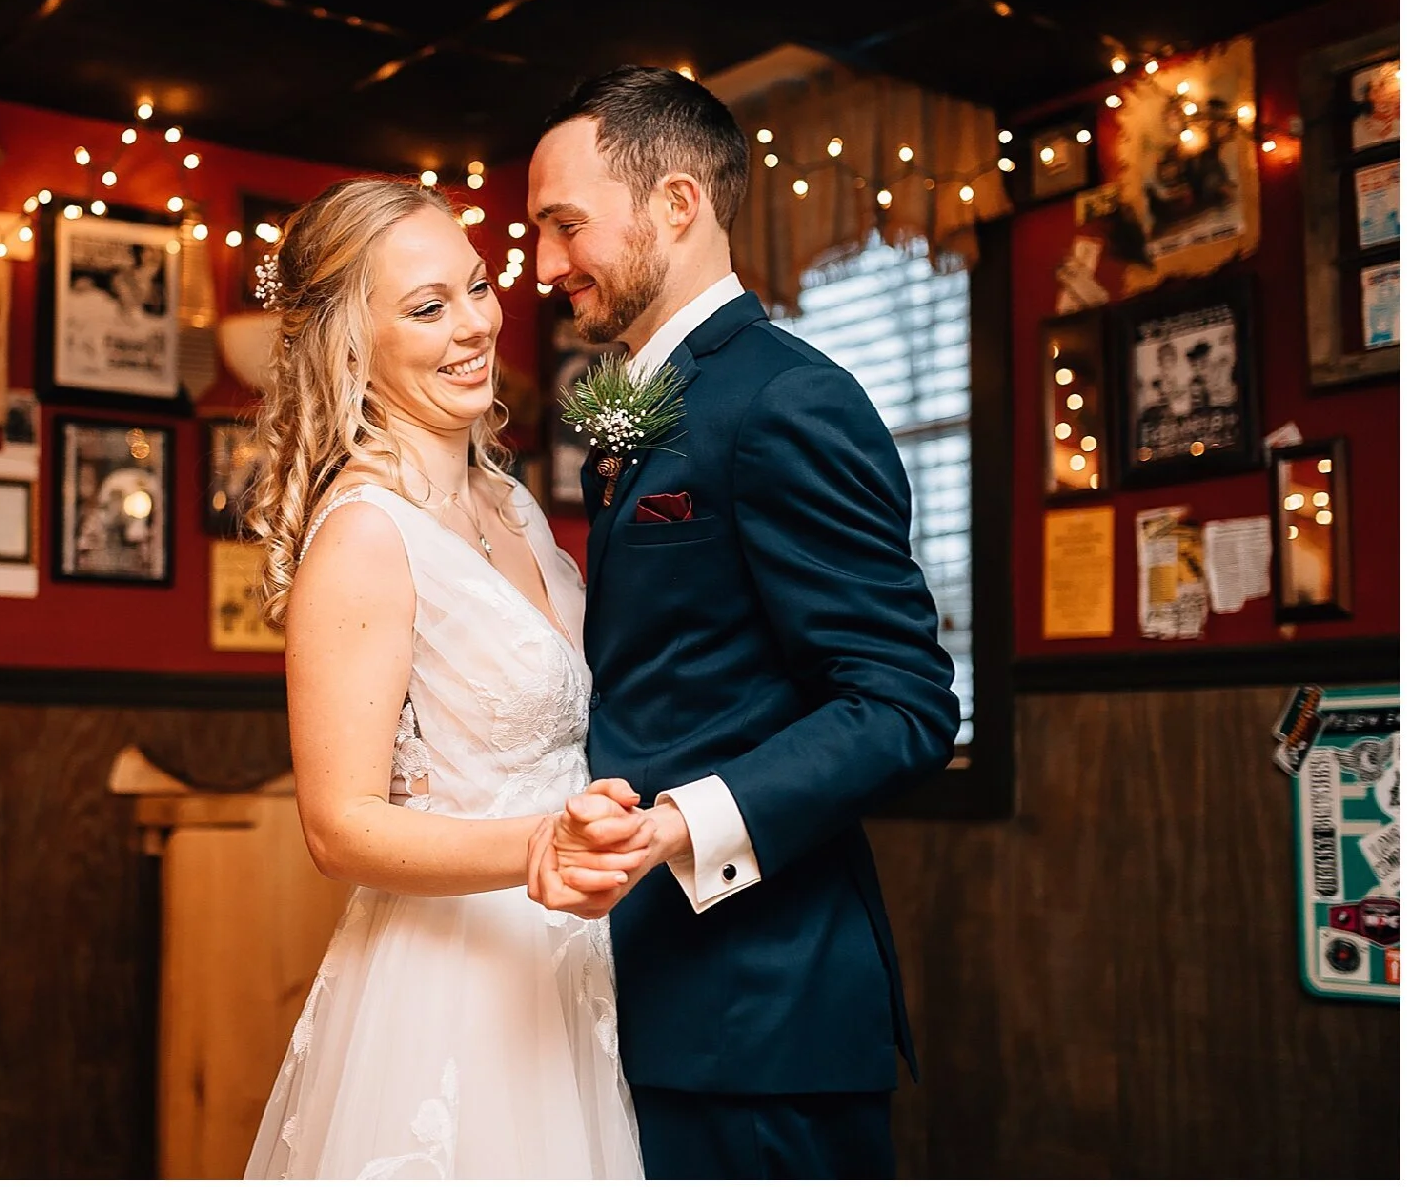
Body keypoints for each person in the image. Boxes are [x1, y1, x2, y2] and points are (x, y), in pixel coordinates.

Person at [523, 66, 959, 1179]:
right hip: (652, 994)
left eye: (565, 225)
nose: (545, 266)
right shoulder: (651, 401)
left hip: (763, 1016)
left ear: (677, 203)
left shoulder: (784, 398)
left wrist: (680, 822)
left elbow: (903, 702)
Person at [242, 178, 643, 1178]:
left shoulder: (509, 503)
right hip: (449, 987)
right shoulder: (366, 535)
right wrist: (539, 844)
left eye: (476, 286)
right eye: (427, 307)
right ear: (351, 345)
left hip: (564, 965)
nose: (474, 325)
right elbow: (338, 826)